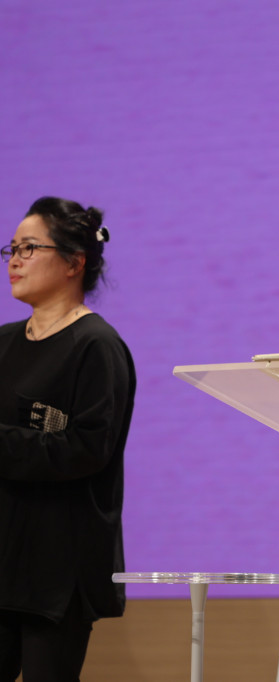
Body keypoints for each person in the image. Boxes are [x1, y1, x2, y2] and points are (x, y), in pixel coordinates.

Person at [0, 197, 136, 682]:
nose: (14, 261)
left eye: (29, 248)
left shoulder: (96, 345)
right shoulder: (3, 342)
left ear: (74, 262)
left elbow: (86, 451)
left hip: (58, 570)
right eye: (11, 249)